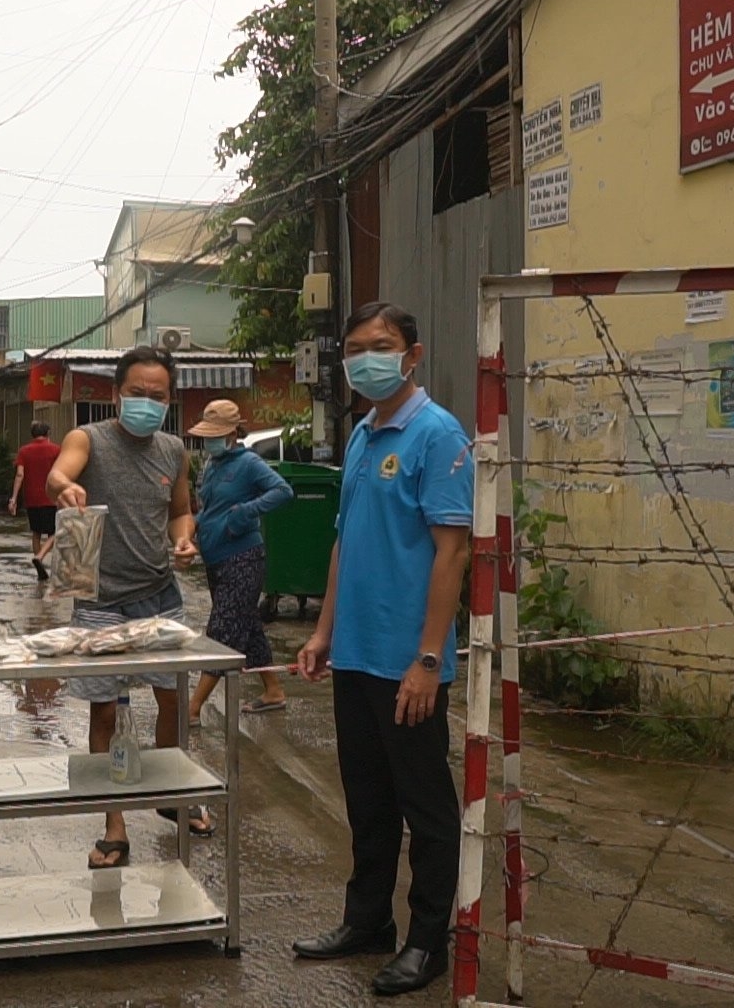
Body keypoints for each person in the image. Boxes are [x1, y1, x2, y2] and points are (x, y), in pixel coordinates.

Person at [291, 301, 472, 998]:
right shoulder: (364, 434)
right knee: (368, 802)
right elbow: (346, 541)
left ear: (412, 355)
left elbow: (452, 553)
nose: (367, 359)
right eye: (356, 349)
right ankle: (367, 922)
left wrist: (427, 659)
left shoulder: (437, 434)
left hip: (407, 663)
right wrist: (323, 632)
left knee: (425, 807)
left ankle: (427, 941)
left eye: (382, 345)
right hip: (355, 654)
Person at [45, 346, 211, 866]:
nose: (146, 401)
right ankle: (114, 824)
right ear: (117, 394)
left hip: (160, 594)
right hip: (99, 600)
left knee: (172, 702)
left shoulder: (174, 450)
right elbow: (58, 475)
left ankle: (170, 793)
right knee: (105, 711)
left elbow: (180, 511)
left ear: (169, 400)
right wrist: (65, 486)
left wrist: (183, 538)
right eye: (137, 392)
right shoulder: (88, 439)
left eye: (157, 395)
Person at [184, 400, 293, 719]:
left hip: (243, 558)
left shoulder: (249, 463)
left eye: (214, 435)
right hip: (215, 558)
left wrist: (245, 513)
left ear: (232, 434)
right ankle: (273, 690)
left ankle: (193, 707)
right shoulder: (211, 465)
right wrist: (193, 530)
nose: (209, 441)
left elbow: (283, 491)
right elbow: (209, 508)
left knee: (223, 628)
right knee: (246, 624)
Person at [9, 421, 61, 580]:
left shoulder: (24, 451)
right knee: (55, 532)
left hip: (31, 498)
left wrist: (14, 498)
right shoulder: (56, 450)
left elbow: (20, 474)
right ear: (48, 434)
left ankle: (40, 565)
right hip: (51, 498)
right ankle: (42, 558)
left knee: (36, 532)